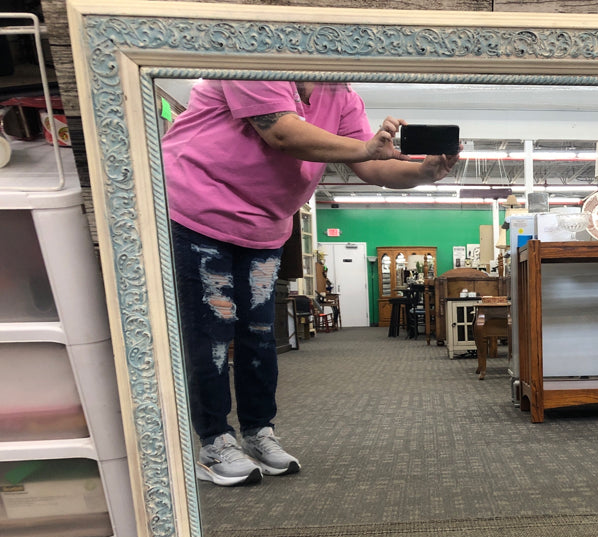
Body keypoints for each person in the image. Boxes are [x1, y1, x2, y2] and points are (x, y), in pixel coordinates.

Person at [162, 80, 458, 486]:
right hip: (197, 211)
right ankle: (214, 441)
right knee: (211, 333)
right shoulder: (255, 57)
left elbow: (371, 165)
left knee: (260, 335)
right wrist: (366, 147)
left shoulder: (341, 93)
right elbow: (282, 133)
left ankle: (257, 432)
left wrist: (423, 172)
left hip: (264, 225)